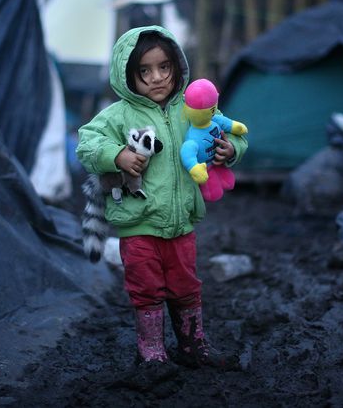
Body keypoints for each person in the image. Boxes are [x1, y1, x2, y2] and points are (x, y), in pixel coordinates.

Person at [75, 25, 248, 368]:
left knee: (186, 284)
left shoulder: (191, 108)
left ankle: (192, 345)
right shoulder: (118, 114)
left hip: (181, 221)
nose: (156, 78)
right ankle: (151, 351)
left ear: (176, 67)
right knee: (146, 288)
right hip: (138, 223)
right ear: (128, 75)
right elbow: (86, 143)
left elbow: (228, 129)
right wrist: (117, 155)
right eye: (145, 71)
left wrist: (231, 150)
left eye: (164, 68)